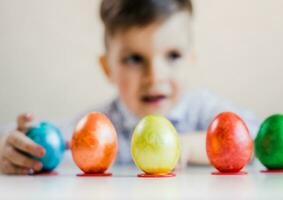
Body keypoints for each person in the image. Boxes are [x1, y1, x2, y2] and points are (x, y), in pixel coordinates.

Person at [0, 0, 259, 175]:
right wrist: (14, 148)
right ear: (107, 68)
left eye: (172, 56)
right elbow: (46, 142)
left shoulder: (204, 112)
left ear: (191, 59)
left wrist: (184, 146)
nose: (154, 76)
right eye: (134, 58)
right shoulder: (98, 128)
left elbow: (256, 137)